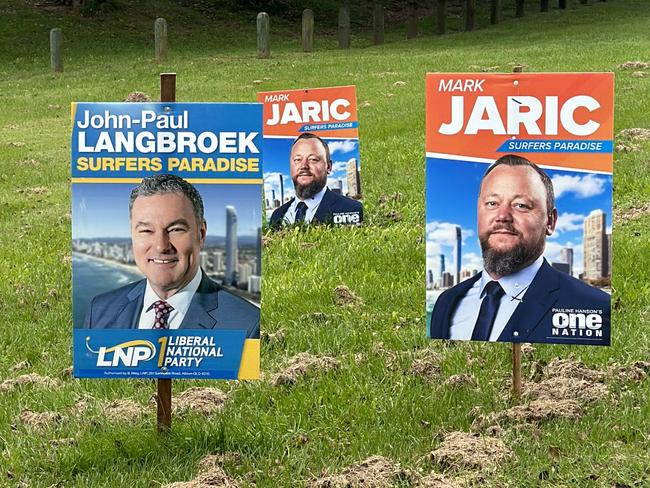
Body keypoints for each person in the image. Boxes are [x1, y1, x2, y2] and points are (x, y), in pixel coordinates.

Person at [429, 154, 610, 344]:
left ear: (550, 221)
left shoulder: (595, 308)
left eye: (521, 205)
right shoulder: (446, 302)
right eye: (492, 203)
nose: (502, 216)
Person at [83, 174, 259, 338]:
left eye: (175, 229)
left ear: (201, 234)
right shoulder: (99, 311)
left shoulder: (248, 326)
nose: (161, 246)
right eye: (146, 230)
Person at [269, 133, 363, 228]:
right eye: (297, 159)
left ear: (329, 167)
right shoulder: (277, 215)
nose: (304, 166)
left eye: (313, 159)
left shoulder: (355, 210)